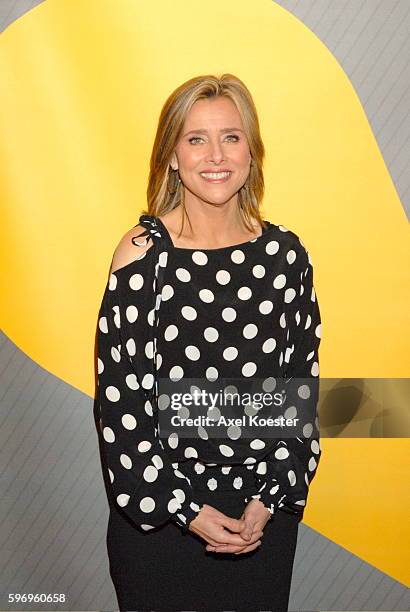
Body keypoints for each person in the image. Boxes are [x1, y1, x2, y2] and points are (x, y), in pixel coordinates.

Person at [96, 73, 322, 612]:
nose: (215, 155)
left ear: (252, 151)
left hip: (260, 520)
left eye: (232, 136)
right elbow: (121, 406)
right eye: (196, 138)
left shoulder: (286, 256)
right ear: (172, 155)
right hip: (162, 526)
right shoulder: (141, 256)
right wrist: (187, 509)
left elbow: (300, 392)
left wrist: (269, 500)